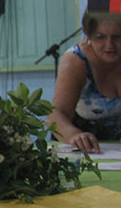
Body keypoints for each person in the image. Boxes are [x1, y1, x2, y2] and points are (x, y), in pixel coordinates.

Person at [49, 11, 121, 153]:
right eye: (100, 37)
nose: (109, 45)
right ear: (88, 36)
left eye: (118, 37)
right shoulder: (75, 61)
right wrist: (74, 135)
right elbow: (56, 113)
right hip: (85, 152)